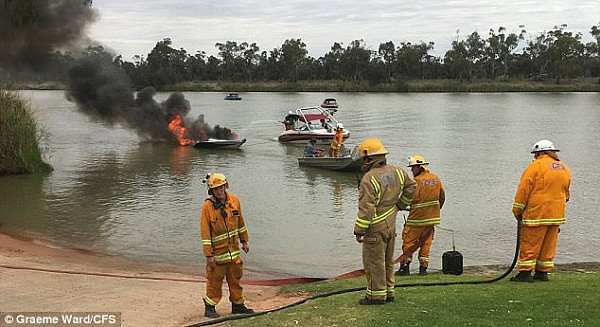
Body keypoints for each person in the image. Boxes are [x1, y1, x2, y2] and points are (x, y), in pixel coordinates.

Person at [354, 138, 416, 305]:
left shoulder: (369, 178)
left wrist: (359, 229)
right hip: (391, 224)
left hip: (374, 227)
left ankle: (376, 296)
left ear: (369, 159)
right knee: (388, 261)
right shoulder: (397, 171)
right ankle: (389, 291)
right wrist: (401, 204)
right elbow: (412, 187)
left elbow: (366, 207)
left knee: (374, 262)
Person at [510, 140, 571, 282]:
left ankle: (525, 274)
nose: (534, 157)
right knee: (548, 245)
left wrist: (517, 210)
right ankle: (542, 273)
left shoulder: (535, 166)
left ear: (540, 152)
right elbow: (566, 193)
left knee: (530, 243)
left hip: (537, 213)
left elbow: (524, 190)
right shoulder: (563, 168)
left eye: (536, 154)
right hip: (556, 214)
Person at [200, 173, 254, 318]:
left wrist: (245, 241)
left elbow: (241, 223)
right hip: (217, 255)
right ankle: (210, 306)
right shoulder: (207, 207)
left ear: (225, 186)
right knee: (214, 281)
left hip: (233, 252)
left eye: (221, 187)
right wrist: (209, 255)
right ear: (212, 191)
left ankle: (237, 305)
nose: (219, 191)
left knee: (235, 280)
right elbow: (205, 234)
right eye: (216, 189)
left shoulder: (234, 201)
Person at [396, 155, 445, 276]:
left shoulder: (416, 182)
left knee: (408, 243)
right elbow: (442, 197)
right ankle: (423, 270)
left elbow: (409, 199)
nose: (412, 170)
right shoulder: (436, 179)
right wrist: (434, 211)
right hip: (431, 220)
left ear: (420, 167)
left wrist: (398, 205)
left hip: (416, 221)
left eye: (413, 168)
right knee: (426, 244)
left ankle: (404, 269)